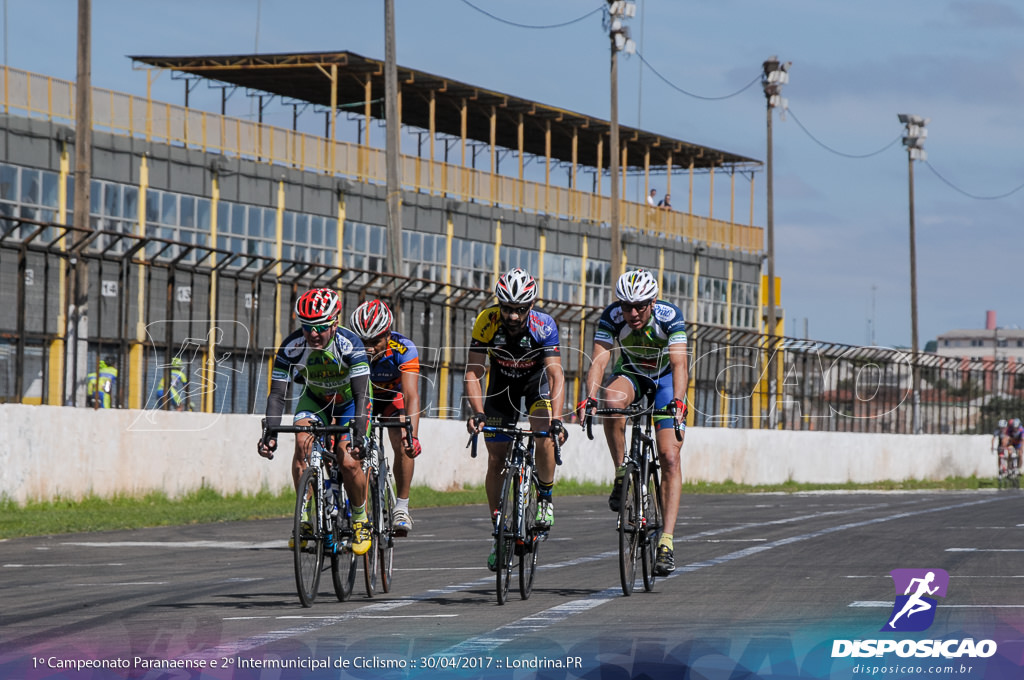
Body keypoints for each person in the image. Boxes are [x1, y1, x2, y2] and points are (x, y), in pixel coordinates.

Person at [579, 269, 688, 577]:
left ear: (652, 302)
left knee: (669, 457)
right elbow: (600, 359)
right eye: (627, 306)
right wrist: (589, 397)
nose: (633, 312)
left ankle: (666, 541)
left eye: (640, 305)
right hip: (633, 374)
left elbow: (680, 364)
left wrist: (678, 402)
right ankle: (621, 470)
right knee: (611, 402)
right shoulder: (612, 317)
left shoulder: (669, 316)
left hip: (666, 380)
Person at [465, 267, 567, 571]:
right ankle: (499, 531)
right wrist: (478, 413)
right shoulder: (486, 321)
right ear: (499, 304)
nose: (512, 316)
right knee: (496, 459)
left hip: (534, 383)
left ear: (531, 306)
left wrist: (558, 419)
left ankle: (545, 498)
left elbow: (555, 373)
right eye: (507, 308)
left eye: (519, 309)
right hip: (501, 385)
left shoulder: (543, 325)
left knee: (544, 435)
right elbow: (473, 372)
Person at [257, 288, 373, 555]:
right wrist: (270, 433)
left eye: (320, 327)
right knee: (302, 443)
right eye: (307, 327)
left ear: (334, 323)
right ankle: (306, 517)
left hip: (349, 401)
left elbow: (361, 393)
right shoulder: (292, 347)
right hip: (316, 398)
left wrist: (357, 430)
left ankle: (359, 519)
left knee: (347, 459)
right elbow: (277, 394)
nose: (313, 334)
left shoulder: (349, 344)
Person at [349, 299, 422, 536]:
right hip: (362, 399)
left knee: (403, 441)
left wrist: (413, 435)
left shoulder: (404, 348)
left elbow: (411, 395)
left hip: (392, 400)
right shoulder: (348, 347)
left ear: (388, 335)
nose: (368, 348)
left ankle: (401, 507)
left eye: (375, 341)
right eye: (364, 342)